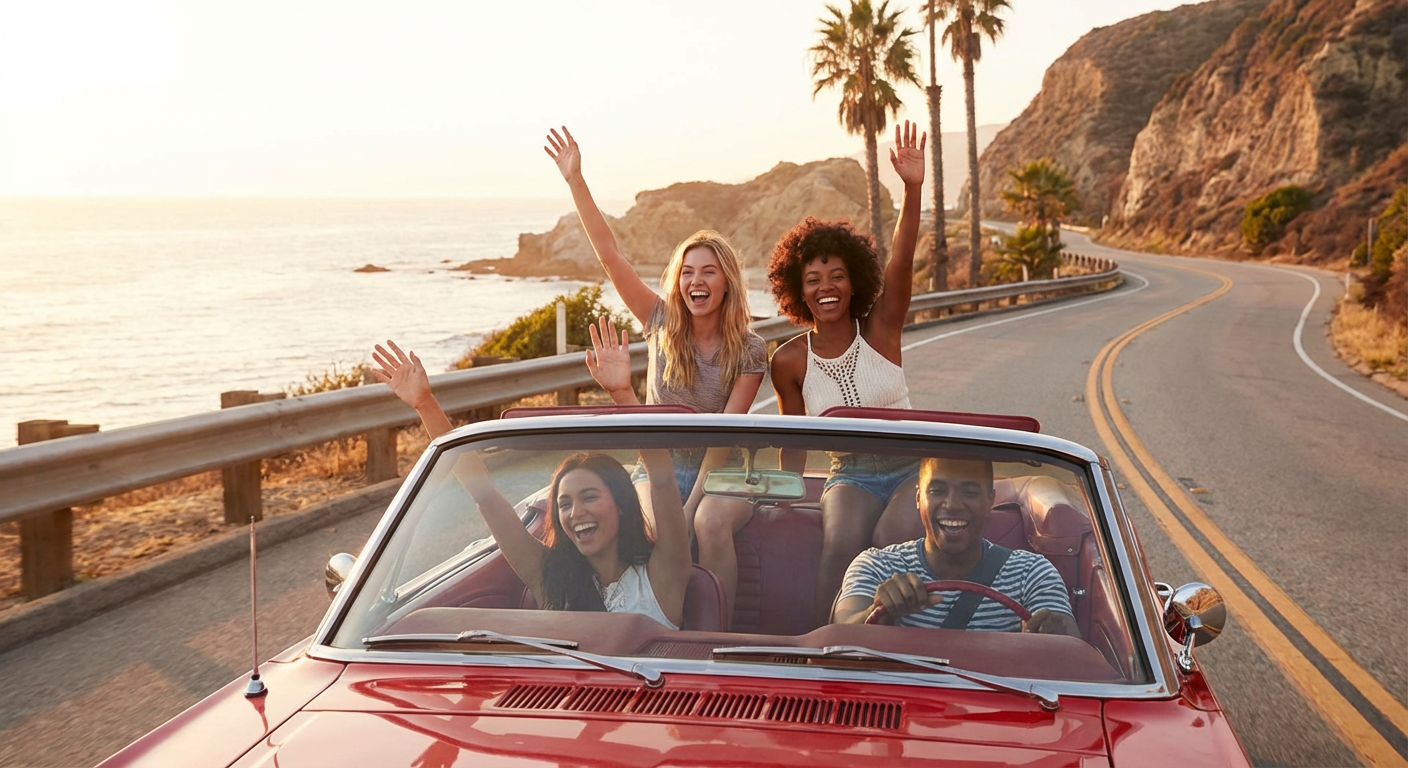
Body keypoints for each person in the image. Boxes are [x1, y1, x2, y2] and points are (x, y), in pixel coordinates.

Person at [370, 340, 691, 628]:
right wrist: (425, 404)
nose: (575, 512)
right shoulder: (548, 576)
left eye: (589, 497)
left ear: (621, 505)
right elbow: (485, 496)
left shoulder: (663, 574)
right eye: (564, 504)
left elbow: (661, 479)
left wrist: (623, 394)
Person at [544, 126, 767, 538]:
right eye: (687, 272)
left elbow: (723, 440)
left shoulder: (751, 350)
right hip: (656, 464)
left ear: (727, 282)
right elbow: (611, 257)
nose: (695, 281)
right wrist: (576, 180)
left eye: (708, 272)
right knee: (650, 530)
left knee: (709, 525)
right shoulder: (659, 320)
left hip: (720, 470)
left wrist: (688, 510)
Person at [761, 119, 927, 624]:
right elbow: (795, 439)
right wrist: (785, 497)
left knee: (888, 541)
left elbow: (901, 258)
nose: (826, 287)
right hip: (849, 473)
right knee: (839, 551)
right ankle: (823, 651)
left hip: (907, 467)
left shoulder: (881, 328)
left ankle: (894, 649)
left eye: (837, 276)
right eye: (813, 280)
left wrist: (912, 188)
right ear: (799, 290)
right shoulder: (788, 360)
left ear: (854, 282)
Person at [831, 456, 1078, 636]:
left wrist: (1050, 641)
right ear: (919, 498)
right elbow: (838, 639)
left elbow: (1073, 663)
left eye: (969, 492)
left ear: (990, 500)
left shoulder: (1032, 573)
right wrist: (877, 612)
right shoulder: (876, 566)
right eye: (937, 490)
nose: (952, 504)